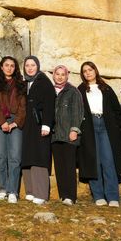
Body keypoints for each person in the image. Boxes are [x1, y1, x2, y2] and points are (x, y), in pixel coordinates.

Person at [77, 61, 121, 207]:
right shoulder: (80, 89)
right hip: (89, 126)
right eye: (85, 71)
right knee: (94, 160)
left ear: (95, 71)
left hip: (105, 125)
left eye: (90, 70)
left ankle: (112, 197)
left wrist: (118, 127)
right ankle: (98, 195)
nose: (88, 73)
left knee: (108, 160)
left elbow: (117, 110)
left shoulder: (106, 88)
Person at [0, 56, 27, 204]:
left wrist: (15, 123)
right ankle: (2, 189)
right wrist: (2, 122)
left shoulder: (21, 84)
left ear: (15, 68)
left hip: (15, 122)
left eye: (12, 65)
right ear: (1, 67)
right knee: (1, 156)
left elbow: (23, 107)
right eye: (6, 65)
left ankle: (13, 191)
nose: (9, 68)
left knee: (15, 157)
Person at [20, 56, 55, 205]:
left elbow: (49, 104)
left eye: (32, 65)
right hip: (27, 125)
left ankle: (40, 193)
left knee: (39, 156)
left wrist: (46, 124)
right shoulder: (24, 83)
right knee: (27, 156)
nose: (29, 68)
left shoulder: (44, 82)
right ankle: (30, 191)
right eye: (27, 65)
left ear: (38, 66)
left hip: (40, 124)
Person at [50, 65, 83, 206]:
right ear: (53, 75)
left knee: (69, 166)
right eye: (57, 74)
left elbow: (77, 112)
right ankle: (63, 195)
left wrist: (74, 130)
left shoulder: (73, 92)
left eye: (63, 74)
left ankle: (71, 196)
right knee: (59, 167)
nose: (60, 76)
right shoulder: (50, 91)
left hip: (69, 134)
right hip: (55, 135)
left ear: (67, 75)